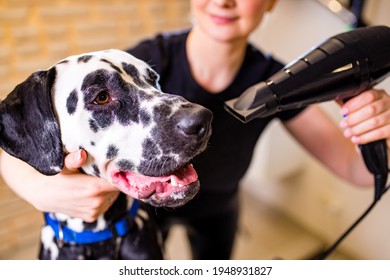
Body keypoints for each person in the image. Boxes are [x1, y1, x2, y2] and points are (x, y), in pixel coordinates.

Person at [1, 0, 390, 259]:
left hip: (219, 207)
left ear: (270, 2)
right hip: (147, 215)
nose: (223, 1)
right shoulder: (137, 63)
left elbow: (358, 171)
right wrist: (40, 188)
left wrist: (378, 128)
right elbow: (17, 133)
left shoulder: (275, 80)